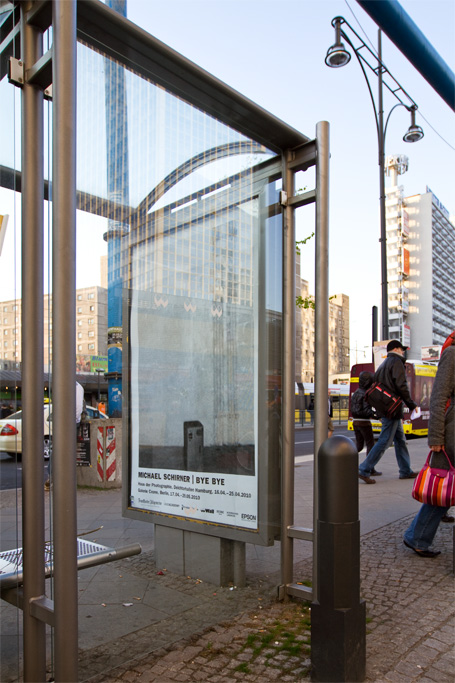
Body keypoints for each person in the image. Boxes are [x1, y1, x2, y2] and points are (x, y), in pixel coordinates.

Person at [403, 331, 454, 556]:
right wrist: (435, 437)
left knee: (445, 490)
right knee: (442, 484)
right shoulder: (452, 354)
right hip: (452, 432)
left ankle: (417, 537)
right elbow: (439, 396)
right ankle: (417, 537)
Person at [358, 339, 417, 484]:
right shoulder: (397, 362)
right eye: (402, 349)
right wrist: (411, 404)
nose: (403, 351)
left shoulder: (383, 364)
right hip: (392, 408)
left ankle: (405, 470)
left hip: (386, 407)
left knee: (400, 440)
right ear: (396, 349)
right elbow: (401, 384)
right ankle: (364, 468)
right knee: (384, 441)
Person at [351, 371, 379, 470]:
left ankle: (347, 462)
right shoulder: (366, 394)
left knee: (358, 446)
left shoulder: (356, 393)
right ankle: (369, 468)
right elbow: (367, 411)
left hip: (355, 421)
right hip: (364, 422)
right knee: (370, 445)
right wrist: (377, 416)